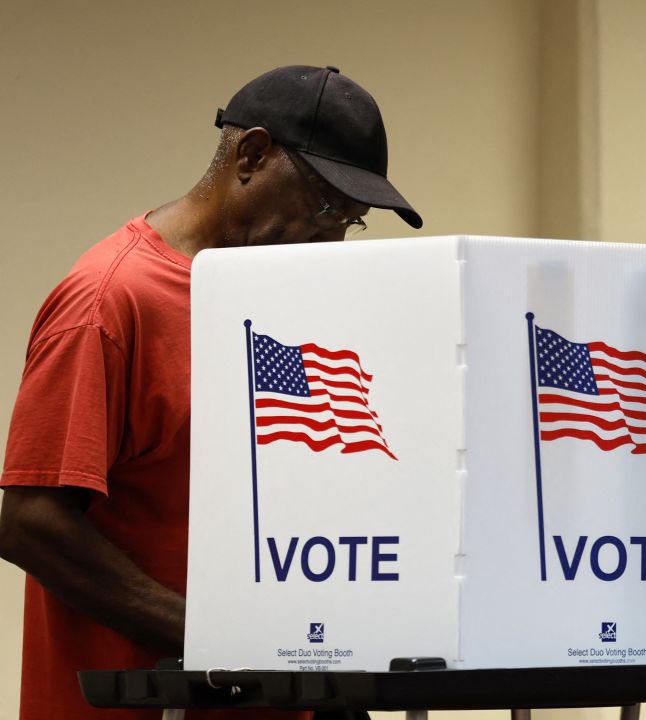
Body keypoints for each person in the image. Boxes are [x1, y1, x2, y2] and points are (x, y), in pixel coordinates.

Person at [0, 65, 421, 720]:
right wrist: (217, 640)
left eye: (353, 221)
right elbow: (30, 522)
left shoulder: (281, 298)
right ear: (252, 155)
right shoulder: (111, 300)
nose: (333, 240)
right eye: (325, 208)